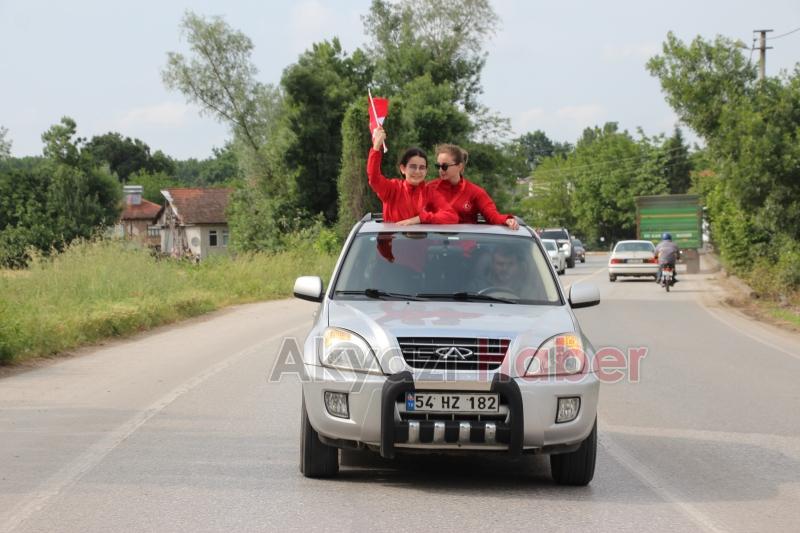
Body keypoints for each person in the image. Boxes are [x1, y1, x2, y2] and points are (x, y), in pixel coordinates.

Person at [367, 127, 457, 225]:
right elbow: (374, 178)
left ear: (426, 171)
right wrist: (376, 147)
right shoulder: (392, 188)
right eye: (413, 167)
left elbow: (452, 216)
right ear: (403, 169)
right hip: (393, 239)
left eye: (422, 167)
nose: (417, 171)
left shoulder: (429, 192)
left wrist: (420, 218)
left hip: (422, 240)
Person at [429, 144, 519, 230]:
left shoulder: (475, 192)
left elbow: (492, 216)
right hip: (433, 243)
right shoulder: (429, 188)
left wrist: (506, 220)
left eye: (444, 166)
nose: (440, 170)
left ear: (460, 166)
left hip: (465, 244)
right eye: (438, 166)